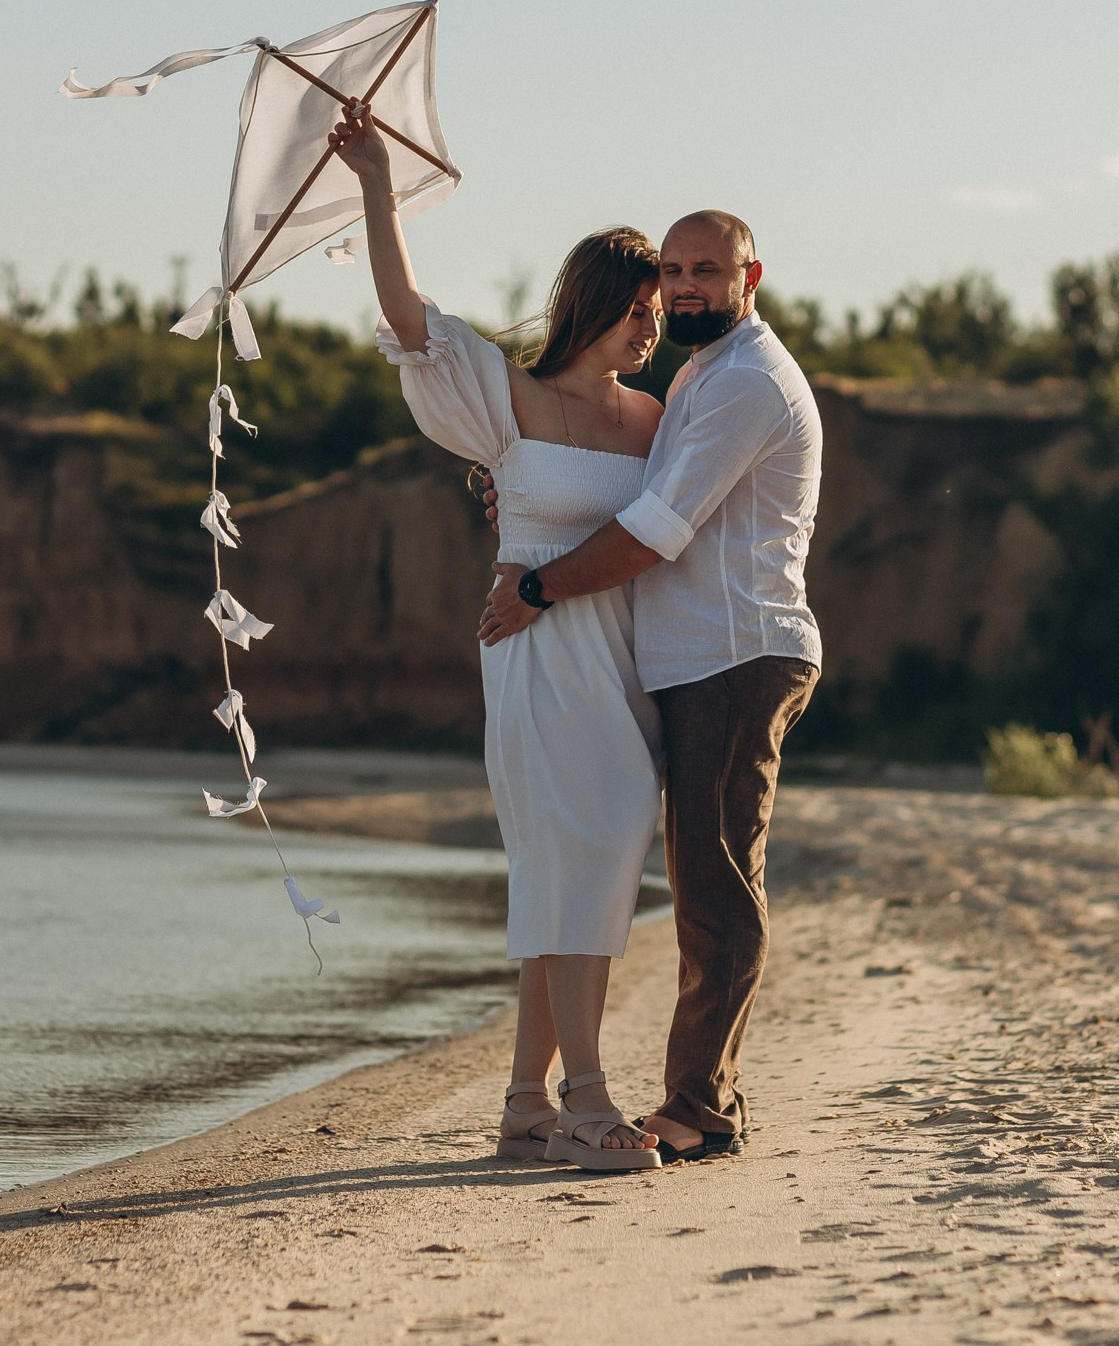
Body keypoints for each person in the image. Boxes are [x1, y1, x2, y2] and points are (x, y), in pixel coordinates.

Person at [332, 102, 667, 1172]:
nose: (649, 330)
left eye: (659, 314)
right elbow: (410, 316)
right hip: (530, 648)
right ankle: (588, 1099)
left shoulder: (655, 421)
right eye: (637, 310)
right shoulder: (505, 398)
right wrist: (377, 184)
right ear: (594, 303)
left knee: (584, 859)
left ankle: (526, 1103)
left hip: (620, 655)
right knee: (576, 853)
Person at [478, 209, 822, 1163]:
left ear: (751, 277)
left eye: (706, 270)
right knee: (690, 872)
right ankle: (537, 1098)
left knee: (716, 884)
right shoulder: (697, 376)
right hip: (682, 661)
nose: (683, 287)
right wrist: (521, 494)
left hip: (734, 655)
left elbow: (654, 531)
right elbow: (614, 487)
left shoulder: (746, 381)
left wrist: (536, 587)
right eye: (672, 271)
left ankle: (699, 1108)